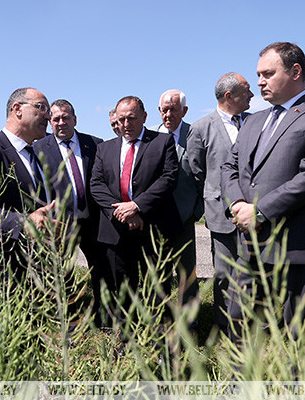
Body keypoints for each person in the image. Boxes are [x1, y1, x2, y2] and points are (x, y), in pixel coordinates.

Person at [222, 42, 305, 345]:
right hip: (251, 241)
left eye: (267, 74)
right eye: (258, 75)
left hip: (300, 242)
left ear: (295, 71)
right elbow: (230, 165)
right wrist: (238, 202)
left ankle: (298, 390)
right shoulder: (252, 121)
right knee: (240, 320)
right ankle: (242, 386)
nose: (260, 82)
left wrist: (260, 210)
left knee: (300, 332)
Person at [89, 96, 180, 318]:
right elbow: (97, 185)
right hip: (116, 231)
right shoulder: (104, 149)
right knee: (121, 289)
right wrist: (120, 213)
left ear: (144, 117)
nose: (126, 124)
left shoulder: (161, 142)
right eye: (121, 120)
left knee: (158, 289)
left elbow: (168, 178)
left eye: (131, 118)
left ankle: (162, 345)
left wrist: (137, 207)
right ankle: (125, 341)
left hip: (153, 227)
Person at [0, 87, 56, 278]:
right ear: (17, 109)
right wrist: (24, 223)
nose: (48, 117)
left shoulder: (37, 154)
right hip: (7, 270)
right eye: (41, 108)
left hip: (42, 268)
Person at [187, 72, 253, 333]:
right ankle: (225, 325)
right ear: (230, 95)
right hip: (220, 213)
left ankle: (250, 321)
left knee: (252, 271)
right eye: (246, 90)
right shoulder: (201, 127)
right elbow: (195, 169)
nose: (252, 95)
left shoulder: (254, 122)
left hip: (253, 211)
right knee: (225, 272)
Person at [33, 99, 106, 321]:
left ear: (75, 119)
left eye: (65, 117)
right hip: (60, 224)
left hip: (93, 221)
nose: (61, 122)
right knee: (61, 272)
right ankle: (67, 318)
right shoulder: (38, 149)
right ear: (50, 122)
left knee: (101, 270)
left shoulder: (95, 144)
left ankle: (103, 314)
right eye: (56, 119)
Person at [156, 89, 204, 309]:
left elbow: (204, 177)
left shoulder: (195, 136)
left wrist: (196, 211)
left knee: (187, 274)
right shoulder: (151, 138)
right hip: (156, 222)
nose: (168, 114)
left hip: (184, 218)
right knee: (159, 273)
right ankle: (162, 322)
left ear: (184, 111)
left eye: (173, 109)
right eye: (164, 110)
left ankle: (190, 325)